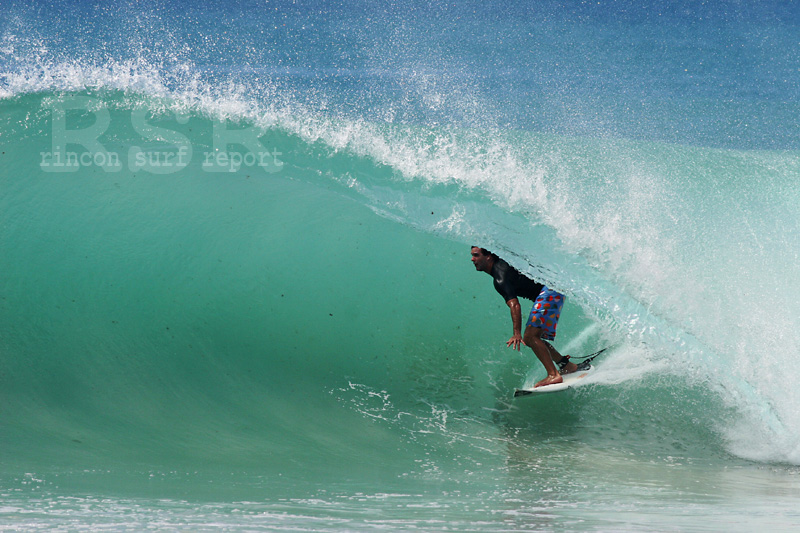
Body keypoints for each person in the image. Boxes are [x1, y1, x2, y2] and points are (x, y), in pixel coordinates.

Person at [471, 246, 578, 387]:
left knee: (530, 337)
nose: (472, 259)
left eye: (476, 255)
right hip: (553, 288)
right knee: (533, 338)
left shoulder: (500, 278)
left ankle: (553, 375)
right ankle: (566, 366)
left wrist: (516, 333)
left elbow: (515, 305)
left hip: (549, 291)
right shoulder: (503, 264)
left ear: (488, 256)